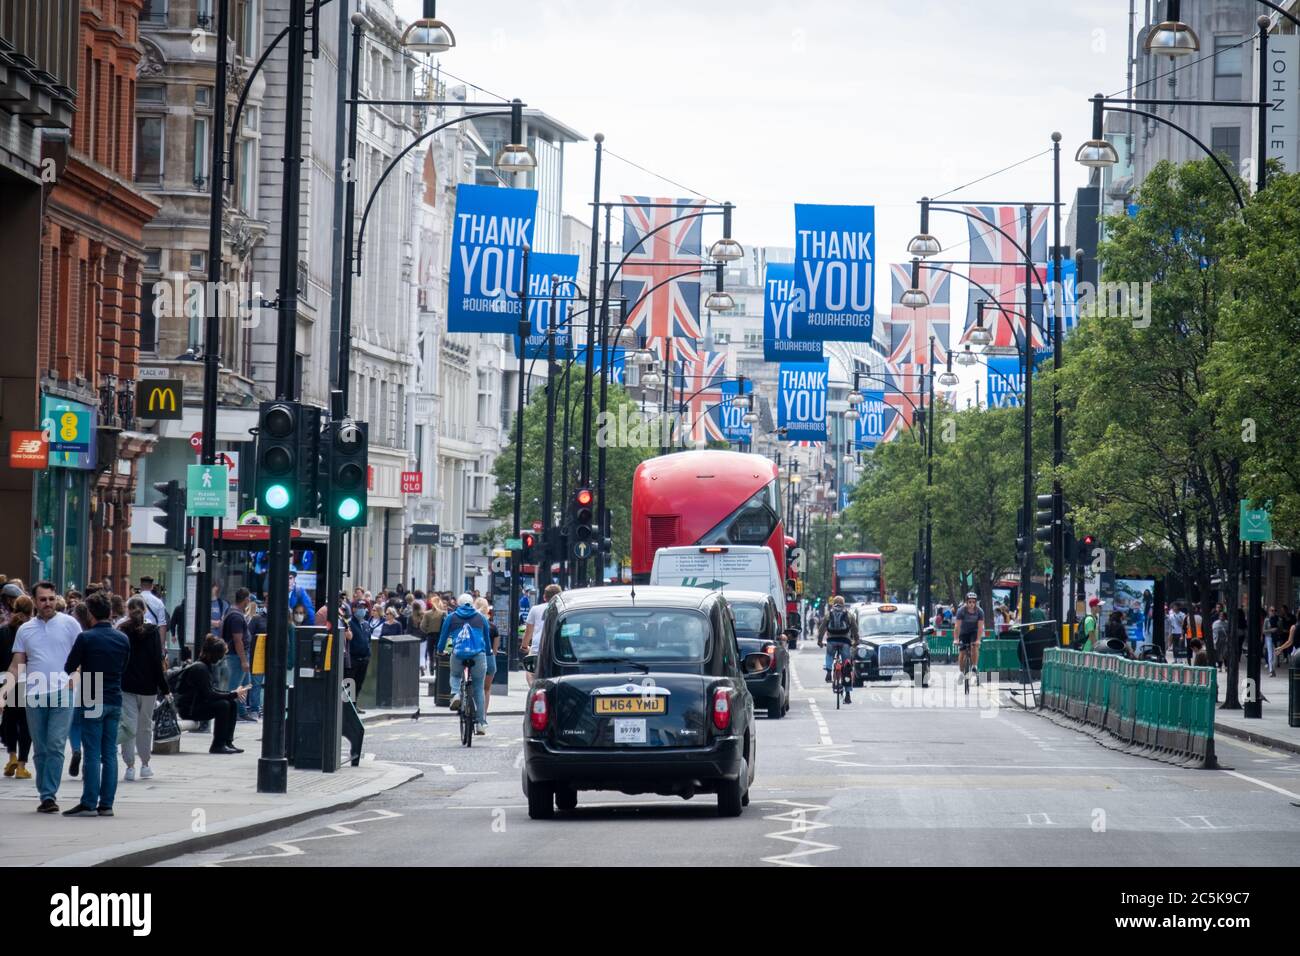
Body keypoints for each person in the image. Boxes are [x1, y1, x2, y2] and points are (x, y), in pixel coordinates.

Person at [0, 582, 81, 812]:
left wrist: (76, 677)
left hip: (62, 692)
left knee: (56, 745)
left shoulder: (70, 624)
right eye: (43, 599)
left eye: (51, 598)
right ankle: (45, 791)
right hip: (34, 694)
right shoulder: (26, 630)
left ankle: (48, 795)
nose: (48, 603)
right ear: (34, 601)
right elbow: (17, 665)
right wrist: (3, 693)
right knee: (41, 748)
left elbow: (83, 655)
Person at [60, 591, 131, 817]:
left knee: (91, 752)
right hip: (114, 696)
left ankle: (89, 802)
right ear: (110, 612)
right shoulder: (122, 638)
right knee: (109, 752)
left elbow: (69, 666)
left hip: (92, 694)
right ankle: (107, 804)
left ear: (90, 613)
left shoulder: (86, 638)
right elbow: (124, 666)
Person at [119, 595, 170, 781]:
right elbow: (157, 662)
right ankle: (145, 764)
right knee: (145, 726)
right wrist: (165, 688)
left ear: (127, 610)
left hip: (127, 685)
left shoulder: (122, 630)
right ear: (146, 610)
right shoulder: (153, 631)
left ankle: (129, 766)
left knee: (128, 726)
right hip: (148, 686)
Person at [175, 635, 248, 754]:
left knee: (232, 703)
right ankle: (217, 745)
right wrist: (233, 694)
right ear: (215, 654)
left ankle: (227, 742)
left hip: (196, 705)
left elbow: (211, 691)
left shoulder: (205, 666)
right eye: (221, 655)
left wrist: (233, 694)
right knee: (223, 705)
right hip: (189, 709)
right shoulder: (200, 669)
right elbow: (210, 695)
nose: (222, 658)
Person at [440, 594, 490, 734]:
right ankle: (480, 723)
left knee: (455, 674)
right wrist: (488, 652)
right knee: (479, 688)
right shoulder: (481, 617)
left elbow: (443, 636)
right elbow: (486, 638)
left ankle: (455, 693)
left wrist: (439, 650)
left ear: (458, 604)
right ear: (472, 604)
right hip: (478, 655)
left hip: (458, 653)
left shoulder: (452, 617)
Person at [0, 595, 34, 780]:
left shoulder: (4, 631)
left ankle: (11, 756)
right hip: (29, 680)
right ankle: (21, 765)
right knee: (26, 723)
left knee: (9, 720)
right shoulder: (31, 630)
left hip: (7, 680)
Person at [816, 595, 858, 704]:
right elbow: (854, 629)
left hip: (831, 640)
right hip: (845, 641)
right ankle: (848, 695)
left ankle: (829, 671)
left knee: (830, 655)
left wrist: (820, 641)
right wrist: (856, 641)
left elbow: (822, 629)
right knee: (847, 668)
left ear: (833, 603)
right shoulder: (849, 614)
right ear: (843, 603)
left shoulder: (828, 613)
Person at [218, 588, 253, 720]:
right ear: (246, 600)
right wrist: (244, 660)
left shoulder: (232, 612)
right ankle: (234, 711)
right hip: (236, 656)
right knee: (235, 686)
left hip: (237, 655)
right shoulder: (236, 616)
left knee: (245, 684)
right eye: (248, 599)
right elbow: (238, 640)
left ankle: (241, 712)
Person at [523, 584, 560, 686]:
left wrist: (524, 646)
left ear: (544, 596)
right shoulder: (562, 609)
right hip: (555, 647)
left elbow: (528, 632)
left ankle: (533, 689)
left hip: (537, 645)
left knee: (530, 672)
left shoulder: (535, 609)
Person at [474, 597, 501, 712]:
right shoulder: (493, 628)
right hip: (489, 660)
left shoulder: (472, 625)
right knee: (486, 689)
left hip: (475, 659)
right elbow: (494, 650)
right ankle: (483, 714)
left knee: (475, 687)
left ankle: (472, 709)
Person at [952, 592, 984, 683]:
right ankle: (961, 672)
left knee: (974, 646)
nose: (971, 604)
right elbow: (957, 626)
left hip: (974, 631)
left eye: (973, 602)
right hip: (963, 632)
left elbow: (980, 627)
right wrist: (956, 639)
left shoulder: (980, 612)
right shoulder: (961, 611)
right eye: (969, 602)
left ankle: (974, 666)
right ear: (966, 602)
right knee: (962, 652)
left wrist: (978, 640)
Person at [343, 603, 370, 711]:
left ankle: (354, 705)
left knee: (359, 683)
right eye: (360, 608)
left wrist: (368, 654)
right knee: (349, 683)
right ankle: (347, 707)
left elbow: (368, 640)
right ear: (354, 609)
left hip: (364, 659)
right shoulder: (349, 623)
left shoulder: (366, 624)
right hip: (353, 658)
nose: (362, 610)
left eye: (363, 608)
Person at [137, 576, 168, 645]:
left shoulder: (132, 600)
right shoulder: (159, 602)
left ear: (140, 586)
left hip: (136, 636)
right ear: (152, 586)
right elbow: (162, 625)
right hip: (152, 637)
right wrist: (162, 647)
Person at [419, 594, 446, 676]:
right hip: (440, 635)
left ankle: (431, 665)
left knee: (430, 652)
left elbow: (422, 626)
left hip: (430, 635)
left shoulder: (427, 614)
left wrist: (427, 631)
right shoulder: (443, 613)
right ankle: (438, 666)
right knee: (439, 651)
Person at [1263, 606, 1281, 677]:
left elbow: (1280, 629)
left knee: (1276, 655)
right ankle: (1271, 670)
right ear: (1269, 611)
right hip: (1269, 638)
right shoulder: (1267, 620)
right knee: (1270, 654)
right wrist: (1271, 630)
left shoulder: (1278, 619)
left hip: (1277, 639)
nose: (1273, 612)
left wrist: (1277, 630)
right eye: (1271, 610)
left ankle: (1273, 668)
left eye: (1274, 610)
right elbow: (1263, 631)